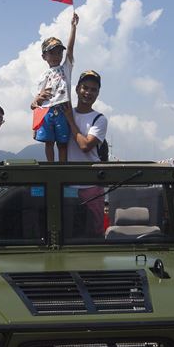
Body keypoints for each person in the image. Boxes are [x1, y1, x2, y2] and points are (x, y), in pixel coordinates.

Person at [63, 70, 107, 237]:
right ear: (76, 89)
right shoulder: (65, 112)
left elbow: (85, 145)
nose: (88, 93)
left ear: (98, 93)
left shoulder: (100, 119)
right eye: (85, 88)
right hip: (66, 184)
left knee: (94, 231)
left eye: (93, 90)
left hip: (92, 184)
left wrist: (70, 120)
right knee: (66, 229)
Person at [32, 13, 79, 162]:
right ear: (44, 56)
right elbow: (37, 101)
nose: (56, 55)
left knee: (63, 143)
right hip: (47, 111)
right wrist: (36, 101)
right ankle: (50, 166)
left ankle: (62, 168)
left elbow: (70, 49)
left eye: (59, 52)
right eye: (52, 52)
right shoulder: (42, 76)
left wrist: (73, 28)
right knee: (48, 142)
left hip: (63, 109)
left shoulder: (66, 68)